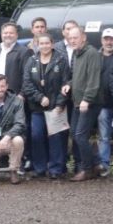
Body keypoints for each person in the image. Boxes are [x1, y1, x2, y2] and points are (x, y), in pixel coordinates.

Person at [22, 33, 70, 179]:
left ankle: (56, 169)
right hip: (37, 107)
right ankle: (40, 168)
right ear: (37, 45)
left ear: (52, 44)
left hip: (55, 107)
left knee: (55, 138)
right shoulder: (31, 61)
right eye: (41, 43)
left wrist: (59, 104)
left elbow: (66, 83)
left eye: (47, 43)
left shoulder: (61, 60)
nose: (44, 46)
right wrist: (40, 97)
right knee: (36, 136)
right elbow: (27, 84)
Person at [65, 25, 102, 180]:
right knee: (74, 133)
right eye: (70, 38)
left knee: (80, 135)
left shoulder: (92, 53)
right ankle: (96, 163)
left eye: (75, 37)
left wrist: (87, 99)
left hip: (89, 103)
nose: (72, 41)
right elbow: (76, 76)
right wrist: (69, 84)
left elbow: (94, 79)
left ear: (83, 37)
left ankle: (87, 169)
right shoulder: (76, 53)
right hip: (77, 102)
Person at [95, 28, 113, 175]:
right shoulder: (96, 57)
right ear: (101, 41)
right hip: (102, 104)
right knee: (104, 137)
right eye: (106, 39)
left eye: (112, 39)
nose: (109, 42)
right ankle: (103, 165)